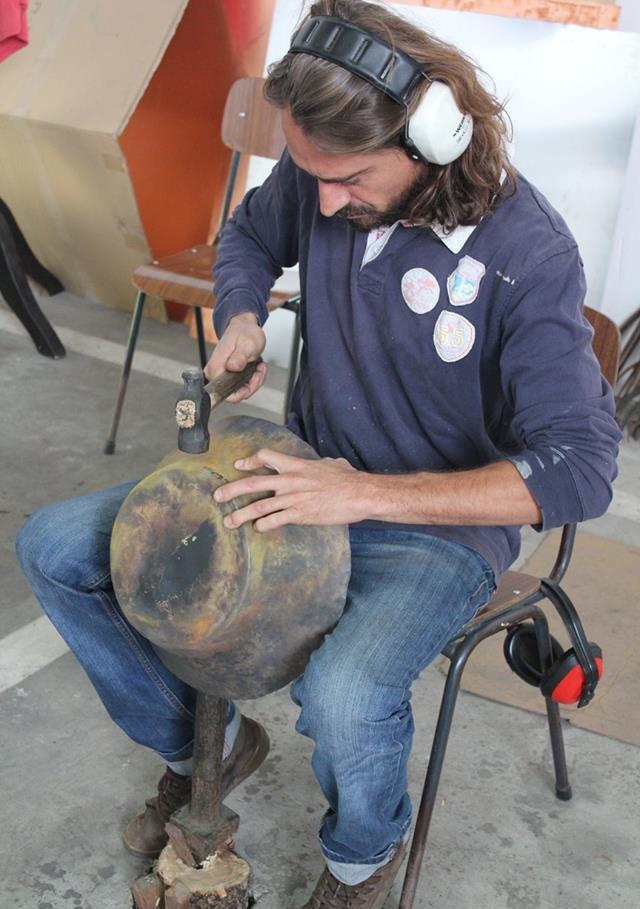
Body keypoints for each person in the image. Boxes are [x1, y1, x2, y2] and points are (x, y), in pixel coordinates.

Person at [16, 1, 621, 906]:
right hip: (296, 475)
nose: (326, 203)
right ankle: (206, 750)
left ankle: (360, 859)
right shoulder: (321, 174)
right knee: (57, 549)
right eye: (313, 176)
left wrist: (360, 492)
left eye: (349, 177)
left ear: (433, 134)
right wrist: (246, 312)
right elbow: (255, 236)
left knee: (343, 695)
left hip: (433, 528)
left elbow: (580, 468)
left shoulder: (527, 256)